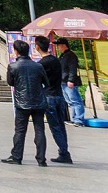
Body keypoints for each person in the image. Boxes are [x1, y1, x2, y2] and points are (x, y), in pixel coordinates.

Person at [6, 38, 49, 166]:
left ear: (16, 51)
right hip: (38, 101)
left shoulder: (13, 66)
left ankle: (17, 156)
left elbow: (10, 82)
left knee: (20, 130)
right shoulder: (38, 65)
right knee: (40, 130)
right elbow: (46, 82)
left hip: (22, 102)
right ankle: (41, 159)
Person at [35, 35, 73, 163]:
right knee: (61, 126)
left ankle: (64, 153)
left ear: (37, 47)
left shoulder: (41, 64)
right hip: (59, 95)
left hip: (49, 96)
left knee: (55, 127)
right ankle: (63, 151)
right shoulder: (56, 60)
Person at [56, 36, 86, 126]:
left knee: (75, 100)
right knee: (70, 101)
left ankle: (79, 119)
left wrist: (71, 80)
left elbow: (73, 69)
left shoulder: (71, 56)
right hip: (63, 81)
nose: (58, 47)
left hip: (69, 81)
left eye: (59, 45)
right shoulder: (63, 56)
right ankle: (75, 118)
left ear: (64, 45)